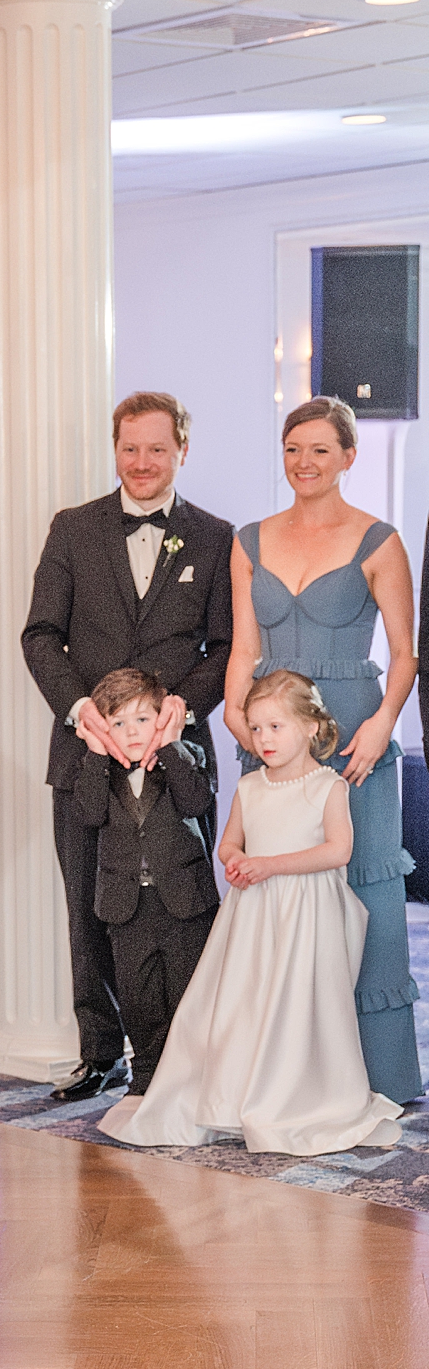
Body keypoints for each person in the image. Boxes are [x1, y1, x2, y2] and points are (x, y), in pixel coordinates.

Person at [23, 391, 233, 1103]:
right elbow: (40, 635)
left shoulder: (214, 535)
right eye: (130, 448)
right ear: (115, 449)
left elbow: (226, 647)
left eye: (157, 448)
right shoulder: (73, 528)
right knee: (87, 905)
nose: (142, 463)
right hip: (87, 755)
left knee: (184, 905)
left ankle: (187, 1051)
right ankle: (98, 1049)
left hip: (178, 758)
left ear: (182, 450)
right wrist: (81, 711)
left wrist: (184, 704)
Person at [101, 671, 403, 1156]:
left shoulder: (328, 786)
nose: (263, 739)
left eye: (275, 728)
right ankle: (237, 1091)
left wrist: (268, 865)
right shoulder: (250, 786)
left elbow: (338, 851)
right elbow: (228, 844)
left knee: (299, 1003)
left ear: (311, 727)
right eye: (256, 728)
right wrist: (237, 862)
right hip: (255, 913)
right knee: (248, 1000)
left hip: (307, 913)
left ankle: (295, 1093)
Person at [222, 396, 420, 1105]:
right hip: (273, 738)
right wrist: (236, 714)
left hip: (357, 737)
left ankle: (381, 1076)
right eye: (293, 449)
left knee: (365, 892)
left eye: (320, 450)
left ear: (348, 458)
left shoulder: (379, 540)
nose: (304, 463)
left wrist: (384, 722)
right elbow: (245, 648)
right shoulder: (249, 540)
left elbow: (405, 654)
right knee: (277, 892)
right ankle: (285, 1074)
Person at [73, 669, 218, 1099]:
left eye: (142, 719)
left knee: (189, 994)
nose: (131, 731)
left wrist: (171, 744)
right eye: (118, 722)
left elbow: (196, 801)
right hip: (126, 907)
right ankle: (147, 1079)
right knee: (139, 998)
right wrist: (97, 754)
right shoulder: (98, 772)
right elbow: (89, 815)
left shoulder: (185, 755)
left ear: (163, 719)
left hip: (185, 904)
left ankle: (196, 1081)